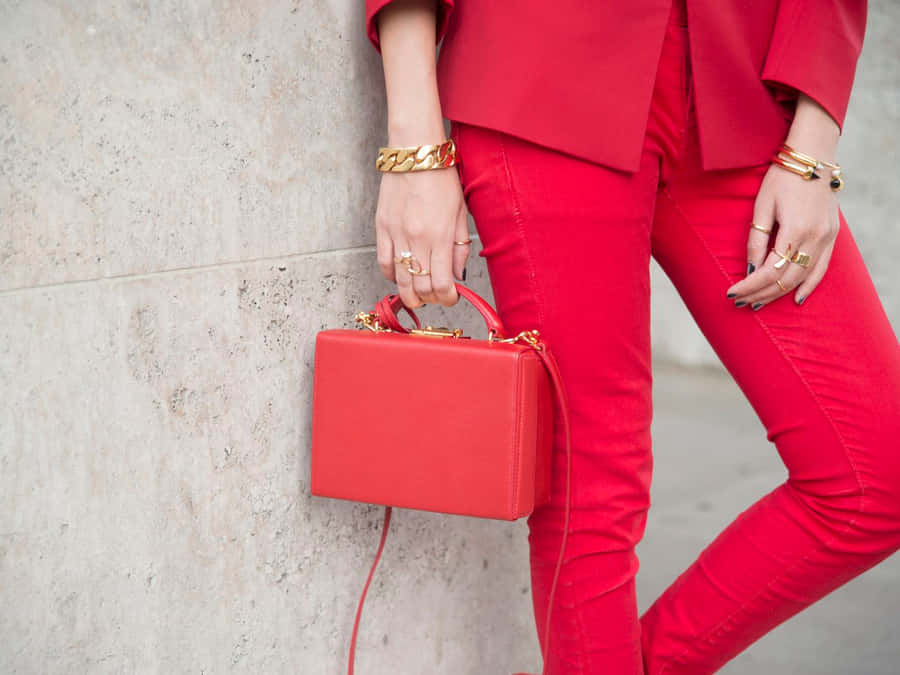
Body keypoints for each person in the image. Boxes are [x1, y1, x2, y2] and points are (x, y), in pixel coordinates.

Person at [364, 0, 900, 672]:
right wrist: (414, 148)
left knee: (874, 467)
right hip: (542, 74)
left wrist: (813, 148)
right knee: (591, 490)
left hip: (749, 91)